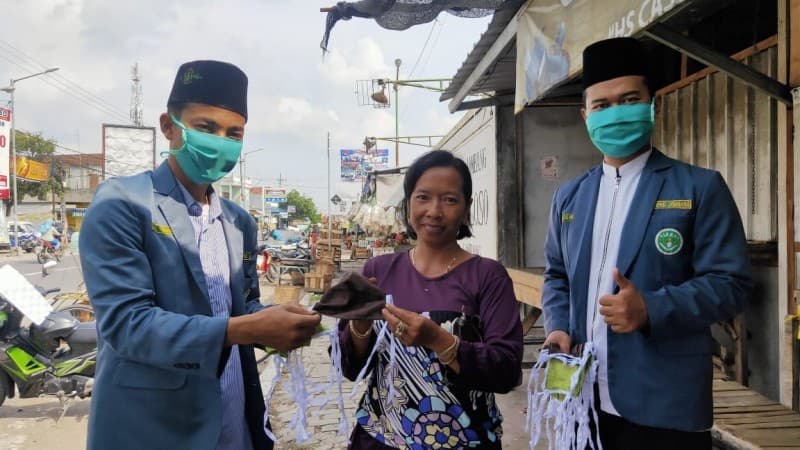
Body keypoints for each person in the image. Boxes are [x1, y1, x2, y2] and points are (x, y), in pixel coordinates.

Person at [79, 60, 321, 450]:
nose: (219, 142)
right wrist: (248, 329)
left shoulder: (239, 221)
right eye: (205, 128)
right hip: (154, 427)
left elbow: (244, 306)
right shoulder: (124, 204)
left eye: (233, 133)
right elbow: (128, 325)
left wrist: (290, 323)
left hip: (233, 416)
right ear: (169, 125)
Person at [541, 37, 752, 450]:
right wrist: (559, 327)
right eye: (602, 105)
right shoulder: (569, 197)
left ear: (651, 104)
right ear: (585, 115)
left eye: (629, 99)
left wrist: (652, 307)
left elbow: (732, 284)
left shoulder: (698, 187)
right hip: (583, 398)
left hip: (663, 404)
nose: (615, 113)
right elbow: (557, 275)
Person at [337, 150, 523, 449]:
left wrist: (442, 342)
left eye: (450, 200)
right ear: (408, 203)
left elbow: (507, 372)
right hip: (381, 439)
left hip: (465, 441)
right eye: (423, 197)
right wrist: (358, 326)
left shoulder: (488, 276)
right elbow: (351, 368)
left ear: (466, 208)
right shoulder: (378, 271)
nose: (434, 211)